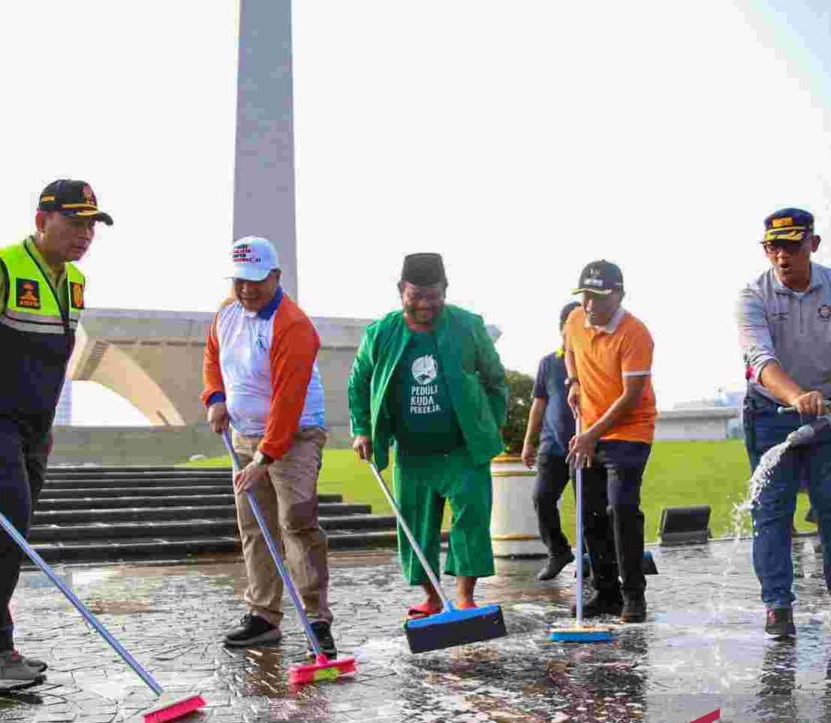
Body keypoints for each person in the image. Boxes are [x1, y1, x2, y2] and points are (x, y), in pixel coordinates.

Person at [0, 179, 111, 690]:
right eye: (74, 221)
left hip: (31, 431)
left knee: (5, 531)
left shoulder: (74, 283)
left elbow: (50, 359)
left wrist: (43, 425)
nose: (84, 234)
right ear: (41, 220)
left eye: (91, 224)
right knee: (7, 524)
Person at [736, 208, 831, 637]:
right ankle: (778, 606)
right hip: (770, 412)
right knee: (771, 512)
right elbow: (759, 360)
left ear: (813, 245)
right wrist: (796, 396)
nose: (782, 257)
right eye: (773, 247)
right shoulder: (752, 295)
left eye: (791, 246)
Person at [348, 253, 508, 615]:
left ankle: (466, 597)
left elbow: (496, 380)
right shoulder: (381, 333)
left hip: (463, 449)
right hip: (412, 452)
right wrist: (362, 429)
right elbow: (358, 383)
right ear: (401, 291)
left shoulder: (468, 326)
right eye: (415, 295)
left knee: (472, 517)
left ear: (445, 291)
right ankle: (433, 597)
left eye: (433, 295)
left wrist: (487, 424)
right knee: (415, 525)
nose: (425, 304)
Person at [203, 236, 336, 655]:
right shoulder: (226, 314)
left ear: (276, 277)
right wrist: (215, 398)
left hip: (294, 436)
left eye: (256, 281)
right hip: (243, 433)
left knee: (296, 521)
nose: (246, 289)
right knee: (254, 525)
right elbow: (213, 359)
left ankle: (316, 618)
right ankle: (263, 615)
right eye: (239, 280)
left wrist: (266, 456)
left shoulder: (294, 326)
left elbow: (288, 398)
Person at [564, 260, 657, 623]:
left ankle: (634, 595)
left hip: (630, 432)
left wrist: (590, 435)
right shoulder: (574, 320)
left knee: (621, 509)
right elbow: (569, 350)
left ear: (618, 294)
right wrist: (573, 383)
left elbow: (631, 397)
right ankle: (604, 592)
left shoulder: (635, 334)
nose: (589, 305)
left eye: (598, 297)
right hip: (589, 431)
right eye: (584, 296)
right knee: (589, 511)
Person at [521, 301, 604, 581]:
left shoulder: (593, 360)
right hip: (552, 446)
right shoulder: (549, 363)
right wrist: (528, 442)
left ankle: (592, 560)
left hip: (585, 445)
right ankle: (558, 551)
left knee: (588, 506)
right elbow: (539, 404)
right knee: (542, 498)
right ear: (562, 330)